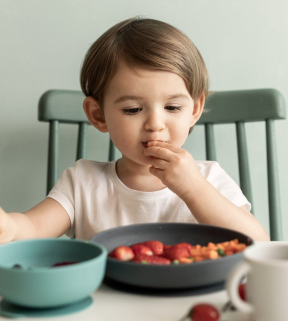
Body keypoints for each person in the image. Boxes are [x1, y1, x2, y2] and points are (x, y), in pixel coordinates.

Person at [0, 17, 270, 244]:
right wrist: (9, 227)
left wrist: (195, 190)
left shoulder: (209, 179)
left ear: (195, 110)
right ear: (98, 115)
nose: (155, 124)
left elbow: (257, 243)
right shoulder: (83, 183)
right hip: (105, 306)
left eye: (173, 107)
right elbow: (32, 228)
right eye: (132, 110)